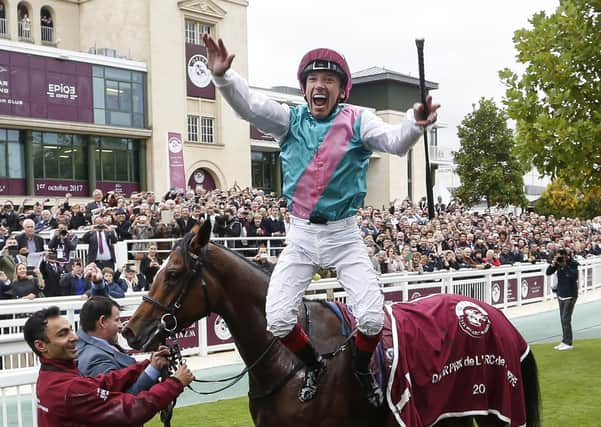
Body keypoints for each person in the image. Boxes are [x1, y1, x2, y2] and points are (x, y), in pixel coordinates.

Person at [204, 33, 439, 406]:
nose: (319, 86)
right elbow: (249, 105)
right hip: (300, 237)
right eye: (313, 80)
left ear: (342, 90)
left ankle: (361, 372)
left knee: (372, 320)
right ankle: (313, 367)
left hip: (344, 236)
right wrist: (222, 78)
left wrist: (415, 123)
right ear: (304, 87)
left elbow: (395, 142)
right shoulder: (288, 120)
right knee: (278, 319)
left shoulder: (359, 120)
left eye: (328, 80)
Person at [23, 306, 194, 427]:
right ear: (41, 346)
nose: (74, 337)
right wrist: (175, 383)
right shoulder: (70, 388)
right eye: (63, 334)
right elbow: (131, 409)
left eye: (71, 329)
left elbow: (101, 383)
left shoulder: (51, 375)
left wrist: (146, 365)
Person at [77, 297, 169, 395]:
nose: (121, 325)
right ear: (102, 322)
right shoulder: (96, 359)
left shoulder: (92, 344)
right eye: (117, 320)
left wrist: (152, 363)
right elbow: (121, 402)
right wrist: (153, 370)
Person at [546, 248, 579, 351]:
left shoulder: (573, 263)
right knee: (562, 319)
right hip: (561, 294)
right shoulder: (557, 264)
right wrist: (553, 263)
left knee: (566, 319)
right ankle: (564, 341)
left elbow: (574, 276)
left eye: (561, 255)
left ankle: (568, 342)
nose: (560, 258)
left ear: (566, 255)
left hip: (570, 294)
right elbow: (548, 272)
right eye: (558, 256)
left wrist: (565, 266)